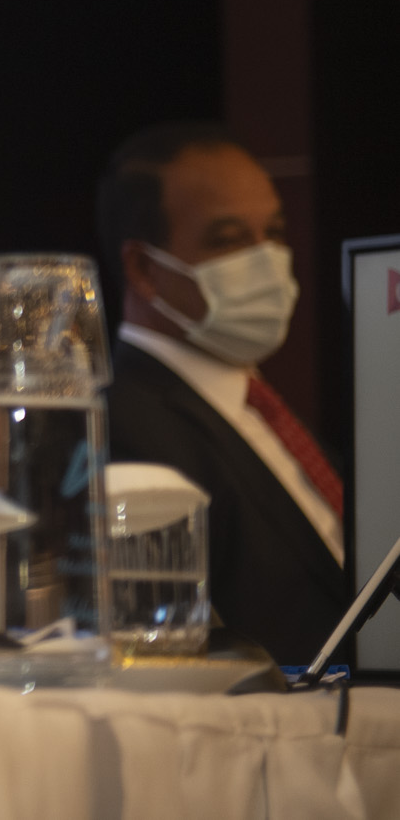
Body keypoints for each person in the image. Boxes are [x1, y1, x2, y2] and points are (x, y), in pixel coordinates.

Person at [97, 121, 349, 663]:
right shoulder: (120, 425)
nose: (267, 260)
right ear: (143, 268)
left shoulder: (264, 408)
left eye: (274, 233)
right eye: (229, 240)